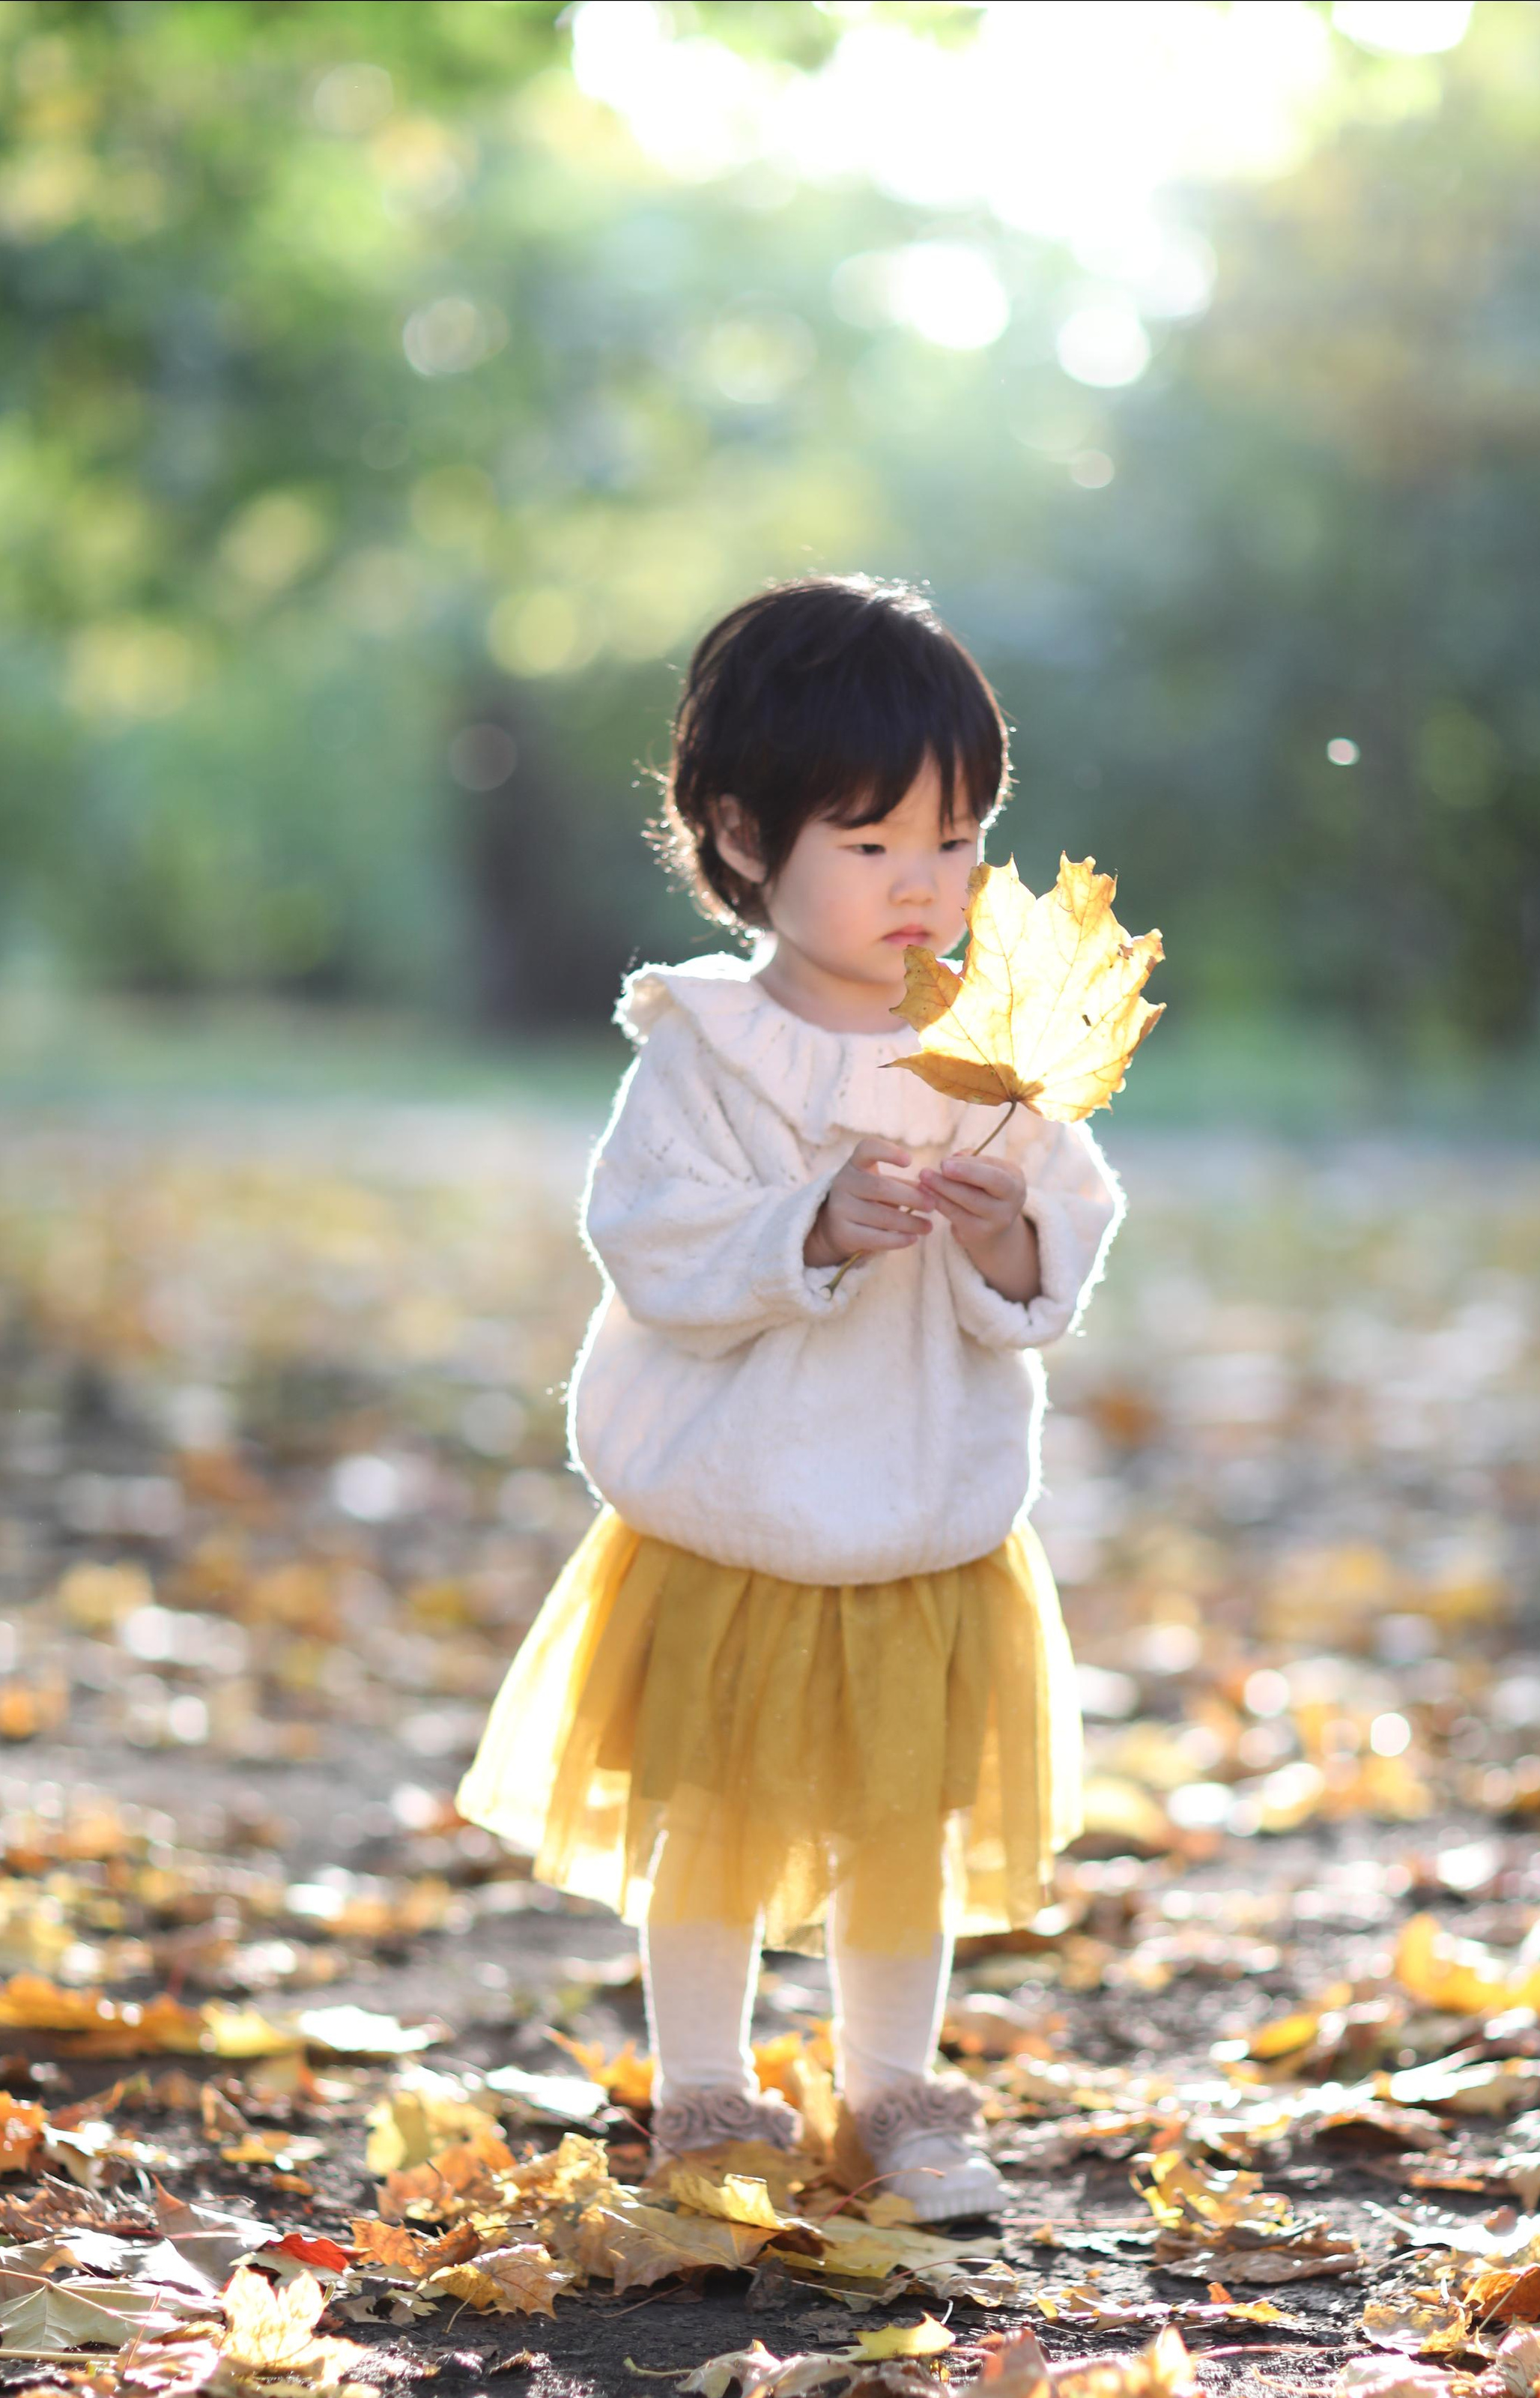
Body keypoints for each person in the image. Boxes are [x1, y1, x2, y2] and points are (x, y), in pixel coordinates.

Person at [455, 575, 1124, 2218]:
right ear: (746, 840)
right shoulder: (702, 1044)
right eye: (874, 844)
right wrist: (805, 1226)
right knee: (716, 1812)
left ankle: (893, 2092)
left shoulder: (995, 1047)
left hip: (916, 1508)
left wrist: (1008, 1229)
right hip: (735, 1506)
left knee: (902, 1827)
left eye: (956, 843)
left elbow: (1072, 1222)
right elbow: (649, 1235)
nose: (927, 886)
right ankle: (703, 2093)